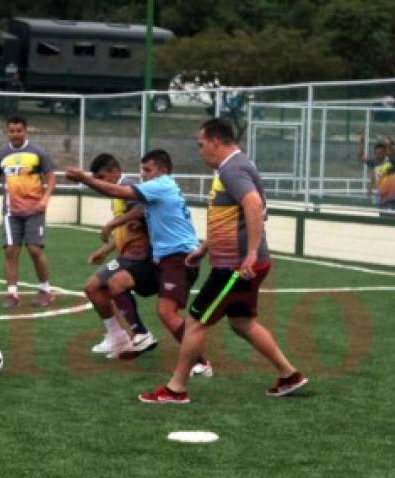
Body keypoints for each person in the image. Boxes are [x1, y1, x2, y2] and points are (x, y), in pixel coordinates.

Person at [138, 118, 307, 404]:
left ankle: (176, 388)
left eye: (201, 144)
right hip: (241, 262)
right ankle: (288, 374)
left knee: (195, 321)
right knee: (242, 322)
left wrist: (250, 253)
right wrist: (205, 247)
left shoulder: (232, 169)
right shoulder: (234, 166)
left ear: (216, 142)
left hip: (236, 266)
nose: (200, 150)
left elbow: (252, 204)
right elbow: (230, 216)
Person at [66, 149, 211, 374]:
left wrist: (85, 179)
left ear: (163, 171)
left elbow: (119, 191)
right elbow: (140, 210)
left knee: (166, 313)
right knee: (116, 283)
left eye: (147, 170)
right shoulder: (157, 190)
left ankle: (201, 362)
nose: (143, 174)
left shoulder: (162, 184)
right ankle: (139, 334)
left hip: (179, 258)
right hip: (159, 259)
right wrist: (113, 233)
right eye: (142, 170)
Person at [80, 153, 157, 358]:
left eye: (102, 178)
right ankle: (118, 336)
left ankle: (134, 333)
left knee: (95, 286)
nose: (100, 184)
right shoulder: (118, 193)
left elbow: (142, 209)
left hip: (138, 256)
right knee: (93, 287)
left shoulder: (128, 186)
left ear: (116, 172)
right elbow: (128, 227)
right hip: (127, 254)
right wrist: (105, 250)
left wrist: (113, 223)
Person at [0, 115, 56, 308]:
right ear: (7, 132)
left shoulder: (37, 152)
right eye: (12, 131)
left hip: (34, 210)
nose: (15, 134)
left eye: (19, 131)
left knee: (34, 250)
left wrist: (46, 198)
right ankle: (12, 294)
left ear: (26, 130)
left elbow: (51, 176)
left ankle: (46, 290)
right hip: (11, 212)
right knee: (10, 251)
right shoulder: (0, 155)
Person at [357, 133, 395, 209]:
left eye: (381, 153)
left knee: (394, 217)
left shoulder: (392, 161)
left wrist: (389, 146)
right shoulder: (375, 162)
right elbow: (360, 157)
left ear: (385, 152)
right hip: (382, 195)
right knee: (383, 217)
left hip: (393, 196)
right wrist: (361, 143)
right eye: (377, 153)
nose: (379, 155)